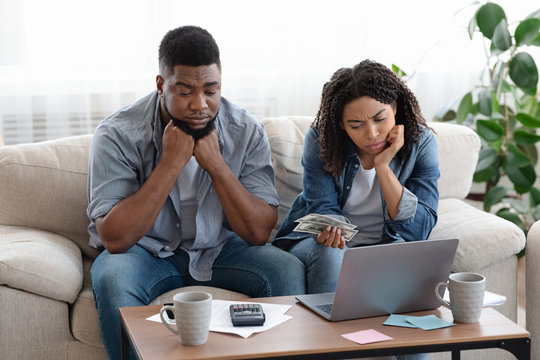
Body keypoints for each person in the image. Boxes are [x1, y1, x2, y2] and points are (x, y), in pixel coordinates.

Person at [87, 25, 305, 360]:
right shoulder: (118, 134)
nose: (200, 105)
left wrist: (217, 166)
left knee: (286, 269)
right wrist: (170, 163)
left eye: (211, 91)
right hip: (143, 254)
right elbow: (115, 239)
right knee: (113, 277)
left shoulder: (245, 130)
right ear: (162, 85)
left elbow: (259, 232)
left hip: (220, 249)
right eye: (185, 91)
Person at [273, 60, 439, 360]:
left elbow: (418, 230)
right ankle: (334, 348)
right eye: (356, 125)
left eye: (380, 118)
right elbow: (322, 207)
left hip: (387, 247)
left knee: (409, 275)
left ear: (395, 107)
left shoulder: (421, 143)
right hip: (322, 245)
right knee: (332, 253)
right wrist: (335, 233)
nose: (372, 134)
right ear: (340, 124)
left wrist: (383, 167)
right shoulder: (321, 139)